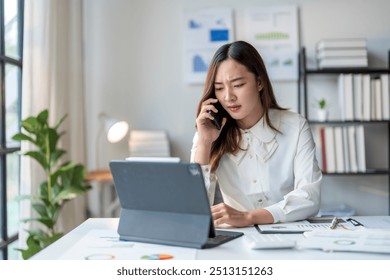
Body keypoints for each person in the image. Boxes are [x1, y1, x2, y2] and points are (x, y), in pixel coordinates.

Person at [191, 40, 322, 227]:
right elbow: (195, 208)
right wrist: (204, 143)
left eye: (238, 84)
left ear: (259, 82)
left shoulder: (295, 126)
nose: (228, 97)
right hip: (239, 240)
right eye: (219, 88)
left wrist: (248, 217)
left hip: (291, 233)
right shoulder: (209, 132)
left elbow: (310, 197)